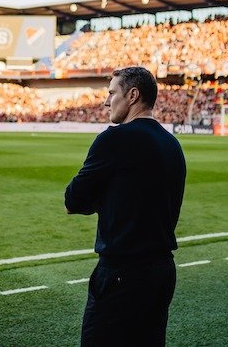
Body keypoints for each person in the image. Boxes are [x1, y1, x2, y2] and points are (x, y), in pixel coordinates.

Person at [64, 66, 186, 346]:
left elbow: (72, 201)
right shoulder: (172, 144)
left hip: (122, 274)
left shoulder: (114, 139)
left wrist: (104, 199)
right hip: (162, 272)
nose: (106, 101)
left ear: (132, 95)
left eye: (111, 93)